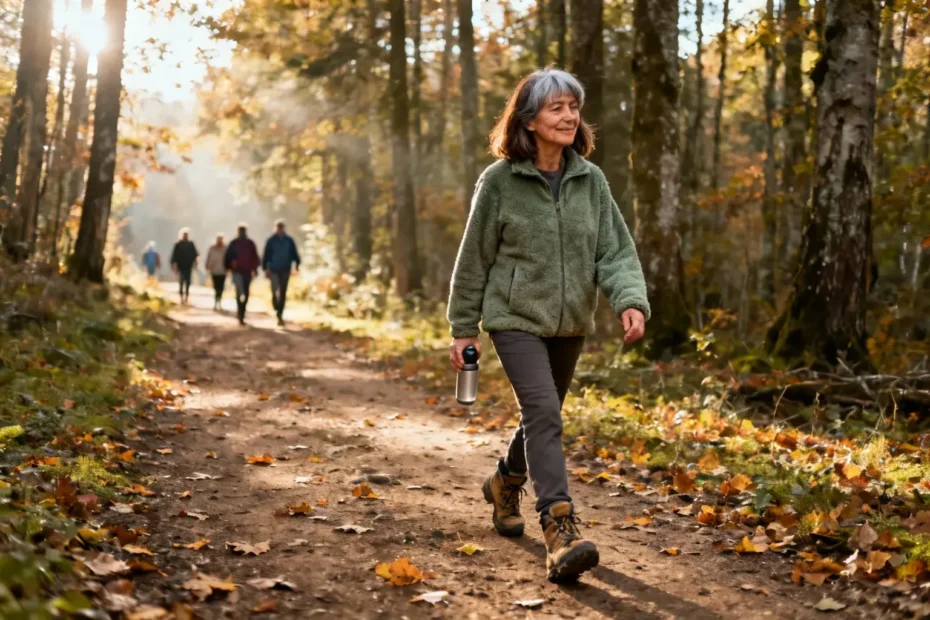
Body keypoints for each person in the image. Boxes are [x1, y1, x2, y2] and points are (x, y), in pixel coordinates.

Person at [447, 69, 650, 584]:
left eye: (573, 108)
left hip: (571, 320)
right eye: (556, 107)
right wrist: (463, 326)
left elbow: (615, 250)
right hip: (513, 317)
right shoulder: (499, 182)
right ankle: (559, 528)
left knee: (544, 414)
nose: (568, 117)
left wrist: (629, 300)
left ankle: (505, 482)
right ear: (529, 119)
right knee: (542, 410)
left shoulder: (591, 180)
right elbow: (474, 258)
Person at [262, 219, 301, 327]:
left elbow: (294, 254)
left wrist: (297, 264)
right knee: (274, 290)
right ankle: (276, 305)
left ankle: (280, 314)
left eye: (281, 227)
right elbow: (266, 255)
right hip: (273, 269)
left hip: (285, 269)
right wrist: (265, 267)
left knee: (283, 291)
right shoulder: (271, 240)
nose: (279, 229)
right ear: (275, 228)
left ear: (284, 228)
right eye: (278, 227)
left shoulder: (289, 240)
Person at [225, 223, 261, 326]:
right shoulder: (233, 243)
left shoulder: (250, 243)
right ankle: (240, 313)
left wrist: (255, 269)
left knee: (246, 293)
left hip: (247, 272)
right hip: (237, 272)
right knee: (238, 293)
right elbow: (228, 257)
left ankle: (242, 312)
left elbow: (255, 257)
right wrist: (229, 267)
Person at [170, 228, 198, 304]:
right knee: (181, 282)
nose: (185, 236)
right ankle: (181, 296)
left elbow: (195, 254)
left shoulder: (191, 244)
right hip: (181, 267)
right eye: (184, 235)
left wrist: (195, 263)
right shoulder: (178, 244)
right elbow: (174, 256)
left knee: (188, 282)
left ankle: (186, 296)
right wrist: (173, 264)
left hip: (189, 266)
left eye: (186, 235)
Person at [205, 233, 228, 311]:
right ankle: (216, 302)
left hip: (223, 271)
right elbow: (209, 257)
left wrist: (229, 268)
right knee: (216, 287)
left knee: (221, 288)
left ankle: (219, 301)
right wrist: (207, 266)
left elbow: (228, 259)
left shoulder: (225, 248)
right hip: (214, 271)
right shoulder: (212, 248)